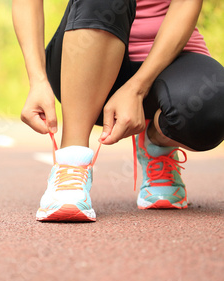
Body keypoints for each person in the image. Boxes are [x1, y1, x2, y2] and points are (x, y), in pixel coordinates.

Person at [12, 0, 224, 222]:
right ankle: (70, 165)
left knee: (213, 106)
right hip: (85, 54)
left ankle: (156, 144)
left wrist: (137, 89)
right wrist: (37, 80)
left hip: (168, 60)